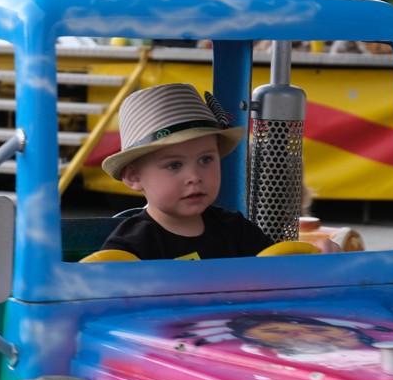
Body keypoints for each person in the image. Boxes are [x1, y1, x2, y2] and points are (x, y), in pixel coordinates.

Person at [99, 83, 273, 260]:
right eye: (174, 165)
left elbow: (277, 269)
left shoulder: (237, 229)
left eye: (205, 160)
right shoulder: (129, 249)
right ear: (134, 177)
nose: (194, 177)